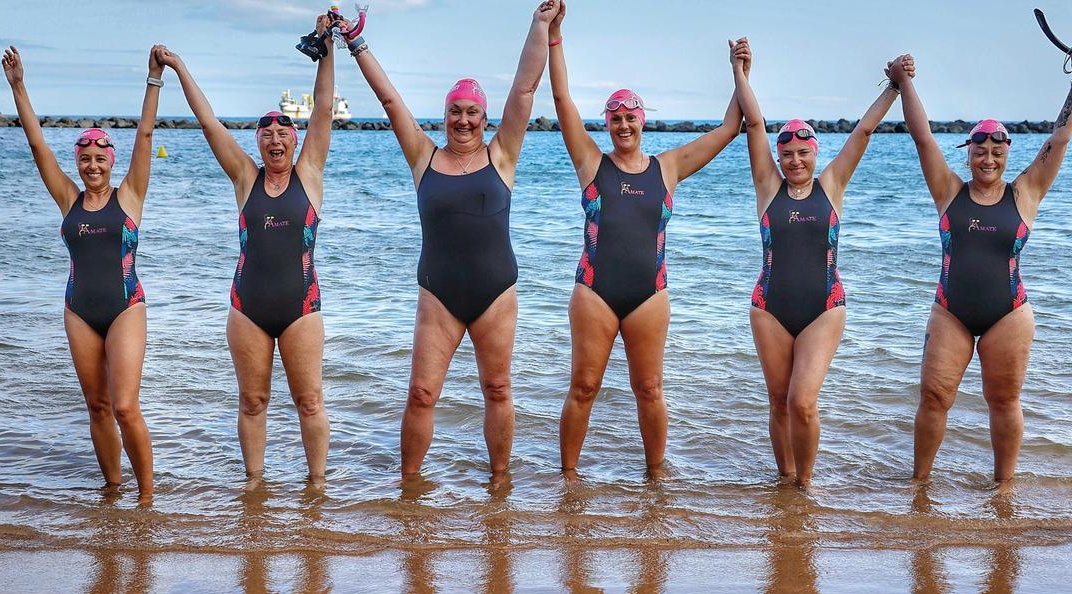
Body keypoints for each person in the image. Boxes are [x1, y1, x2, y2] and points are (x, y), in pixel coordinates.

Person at [343, 2, 560, 476]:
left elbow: (524, 90)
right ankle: (409, 488)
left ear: (485, 119)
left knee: (498, 389)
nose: (464, 120)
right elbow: (391, 102)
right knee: (421, 393)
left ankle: (499, 485)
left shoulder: (502, 155)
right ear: (445, 116)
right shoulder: (424, 157)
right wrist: (357, 45)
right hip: (437, 295)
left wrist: (539, 23)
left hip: (495, 293)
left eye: (473, 113)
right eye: (455, 112)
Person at [549, 1, 743, 473]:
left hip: (650, 295)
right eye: (615, 119)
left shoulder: (668, 168)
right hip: (593, 291)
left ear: (643, 120)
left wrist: (739, 73)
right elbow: (562, 102)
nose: (623, 126)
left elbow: (730, 128)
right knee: (583, 387)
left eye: (630, 117)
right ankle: (568, 478)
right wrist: (555, 35)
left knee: (651, 389)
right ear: (607, 124)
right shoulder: (592, 164)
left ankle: (656, 478)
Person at [889, 52, 1072, 482]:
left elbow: (1058, 140)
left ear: (1006, 154)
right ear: (968, 155)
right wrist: (903, 83)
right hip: (950, 311)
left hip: (1010, 313)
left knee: (1004, 401)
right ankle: (919, 485)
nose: (987, 159)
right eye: (980, 150)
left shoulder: (1026, 192)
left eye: (996, 151)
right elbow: (923, 137)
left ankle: (1003, 490)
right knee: (933, 397)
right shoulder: (949, 190)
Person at [158, 16, 335, 483]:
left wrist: (328, 47)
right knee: (252, 401)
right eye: (266, 134)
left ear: (295, 141)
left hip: (302, 306)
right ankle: (254, 487)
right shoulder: (245, 177)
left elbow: (320, 108)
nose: (275, 139)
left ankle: (316, 488)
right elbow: (208, 122)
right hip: (246, 307)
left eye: (283, 133)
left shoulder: (309, 174)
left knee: (309, 401)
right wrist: (177, 68)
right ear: (257, 141)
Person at [734, 38, 906, 486]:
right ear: (779, 157)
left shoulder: (832, 185)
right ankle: (785, 482)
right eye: (787, 154)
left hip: (825, 308)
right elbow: (753, 124)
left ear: (815, 154)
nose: (794, 160)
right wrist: (741, 73)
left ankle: (806, 486)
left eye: (802, 153)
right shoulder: (767, 187)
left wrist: (893, 87)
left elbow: (863, 134)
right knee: (777, 402)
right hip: (768, 307)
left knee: (802, 401)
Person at [1, 45, 162, 501]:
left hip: (126, 305)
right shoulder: (69, 199)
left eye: (101, 159)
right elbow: (37, 146)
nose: (92, 166)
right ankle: (113, 490)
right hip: (78, 309)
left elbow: (146, 134)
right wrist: (19, 88)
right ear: (78, 162)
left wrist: (153, 79)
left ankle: (147, 497)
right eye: (85, 159)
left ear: (111, 162)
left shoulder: (129, 195)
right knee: (97, 406)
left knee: (126, 407)